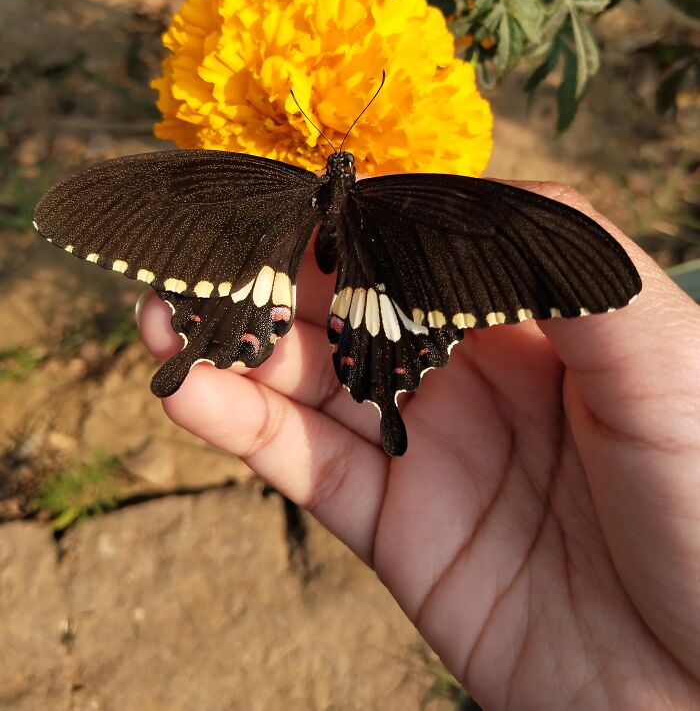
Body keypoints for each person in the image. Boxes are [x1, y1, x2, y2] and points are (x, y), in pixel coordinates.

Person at [137, 182, 700, 709]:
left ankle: (344, 394)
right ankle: (382, 409)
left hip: (356, 292)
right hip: (380, 302)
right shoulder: (419, 196)